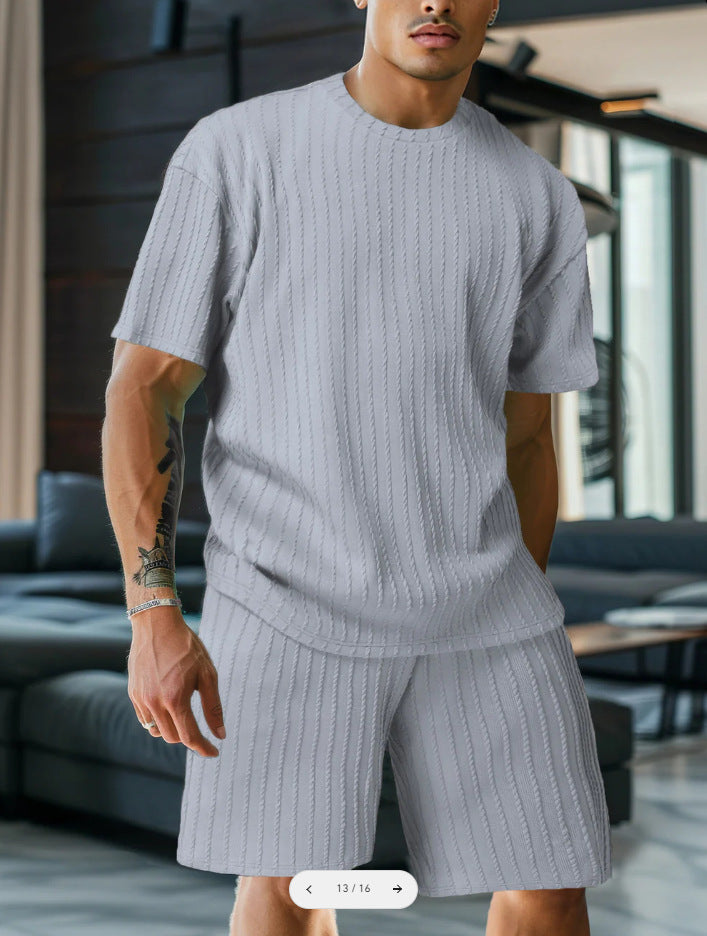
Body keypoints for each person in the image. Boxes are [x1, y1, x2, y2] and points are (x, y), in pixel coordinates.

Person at [102, 0, 612, 933]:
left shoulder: (535, 193)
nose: (434, 3)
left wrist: (521, 601)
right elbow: (145, 391)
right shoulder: (238, 151)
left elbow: (528, 436)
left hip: (489, 608)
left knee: (551, 879)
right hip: (282, 599)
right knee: (291, 889)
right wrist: (153, 614)